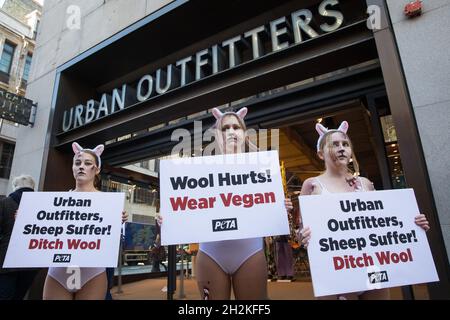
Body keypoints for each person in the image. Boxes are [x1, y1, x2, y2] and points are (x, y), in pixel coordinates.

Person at [299, 121, 430, 300]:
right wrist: (303, 236)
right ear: (321, 154)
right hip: (334, 271)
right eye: (334, 144)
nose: (341, 148)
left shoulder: (365, 184)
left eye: (345, 144)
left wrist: (413, 224)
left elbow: (383, 222)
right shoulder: (312, 185)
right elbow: (300, 230)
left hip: (372, 267)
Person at [193, 107, 293, 300]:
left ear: (244, 133)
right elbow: (185, 208)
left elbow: (268, 211)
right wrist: (169, 219)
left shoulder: (262, 168)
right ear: (216, 134)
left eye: (236, 127)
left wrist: (280, 208)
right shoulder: (199, 169)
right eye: (225, 128)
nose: (231, 131)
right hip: (211, 253)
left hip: (250, 252)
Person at [43, 142, 128, 300]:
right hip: (59, 271)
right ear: (73, 168)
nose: (81, 166)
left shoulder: (107, 203)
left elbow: (112, 242)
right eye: (77, 163)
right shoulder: (57, 201)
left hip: (92, 273)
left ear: (97, 169)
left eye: (87, 163)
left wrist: (118, 222)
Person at [0, 175, 39, 300]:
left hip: (6, 260)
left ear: (15, 187)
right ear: (32, 187)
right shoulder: (41, 205)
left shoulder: (4, 203)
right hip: (31, 260)